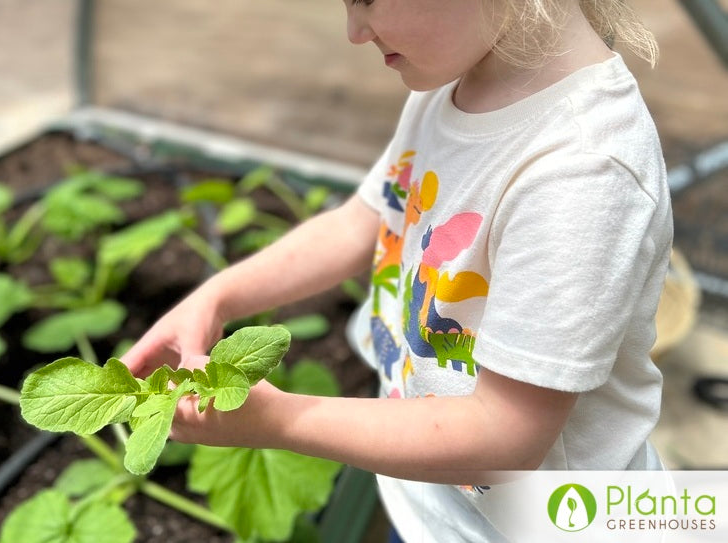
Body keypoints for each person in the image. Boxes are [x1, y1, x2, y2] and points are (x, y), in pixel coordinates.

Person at [122, 1, 672, 541]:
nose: (354, 32)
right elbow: (359, 223)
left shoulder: (582, 173)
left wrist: (279, 421)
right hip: (433, 502)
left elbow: (505, 435)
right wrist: (215, 298)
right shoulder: (457, 81)